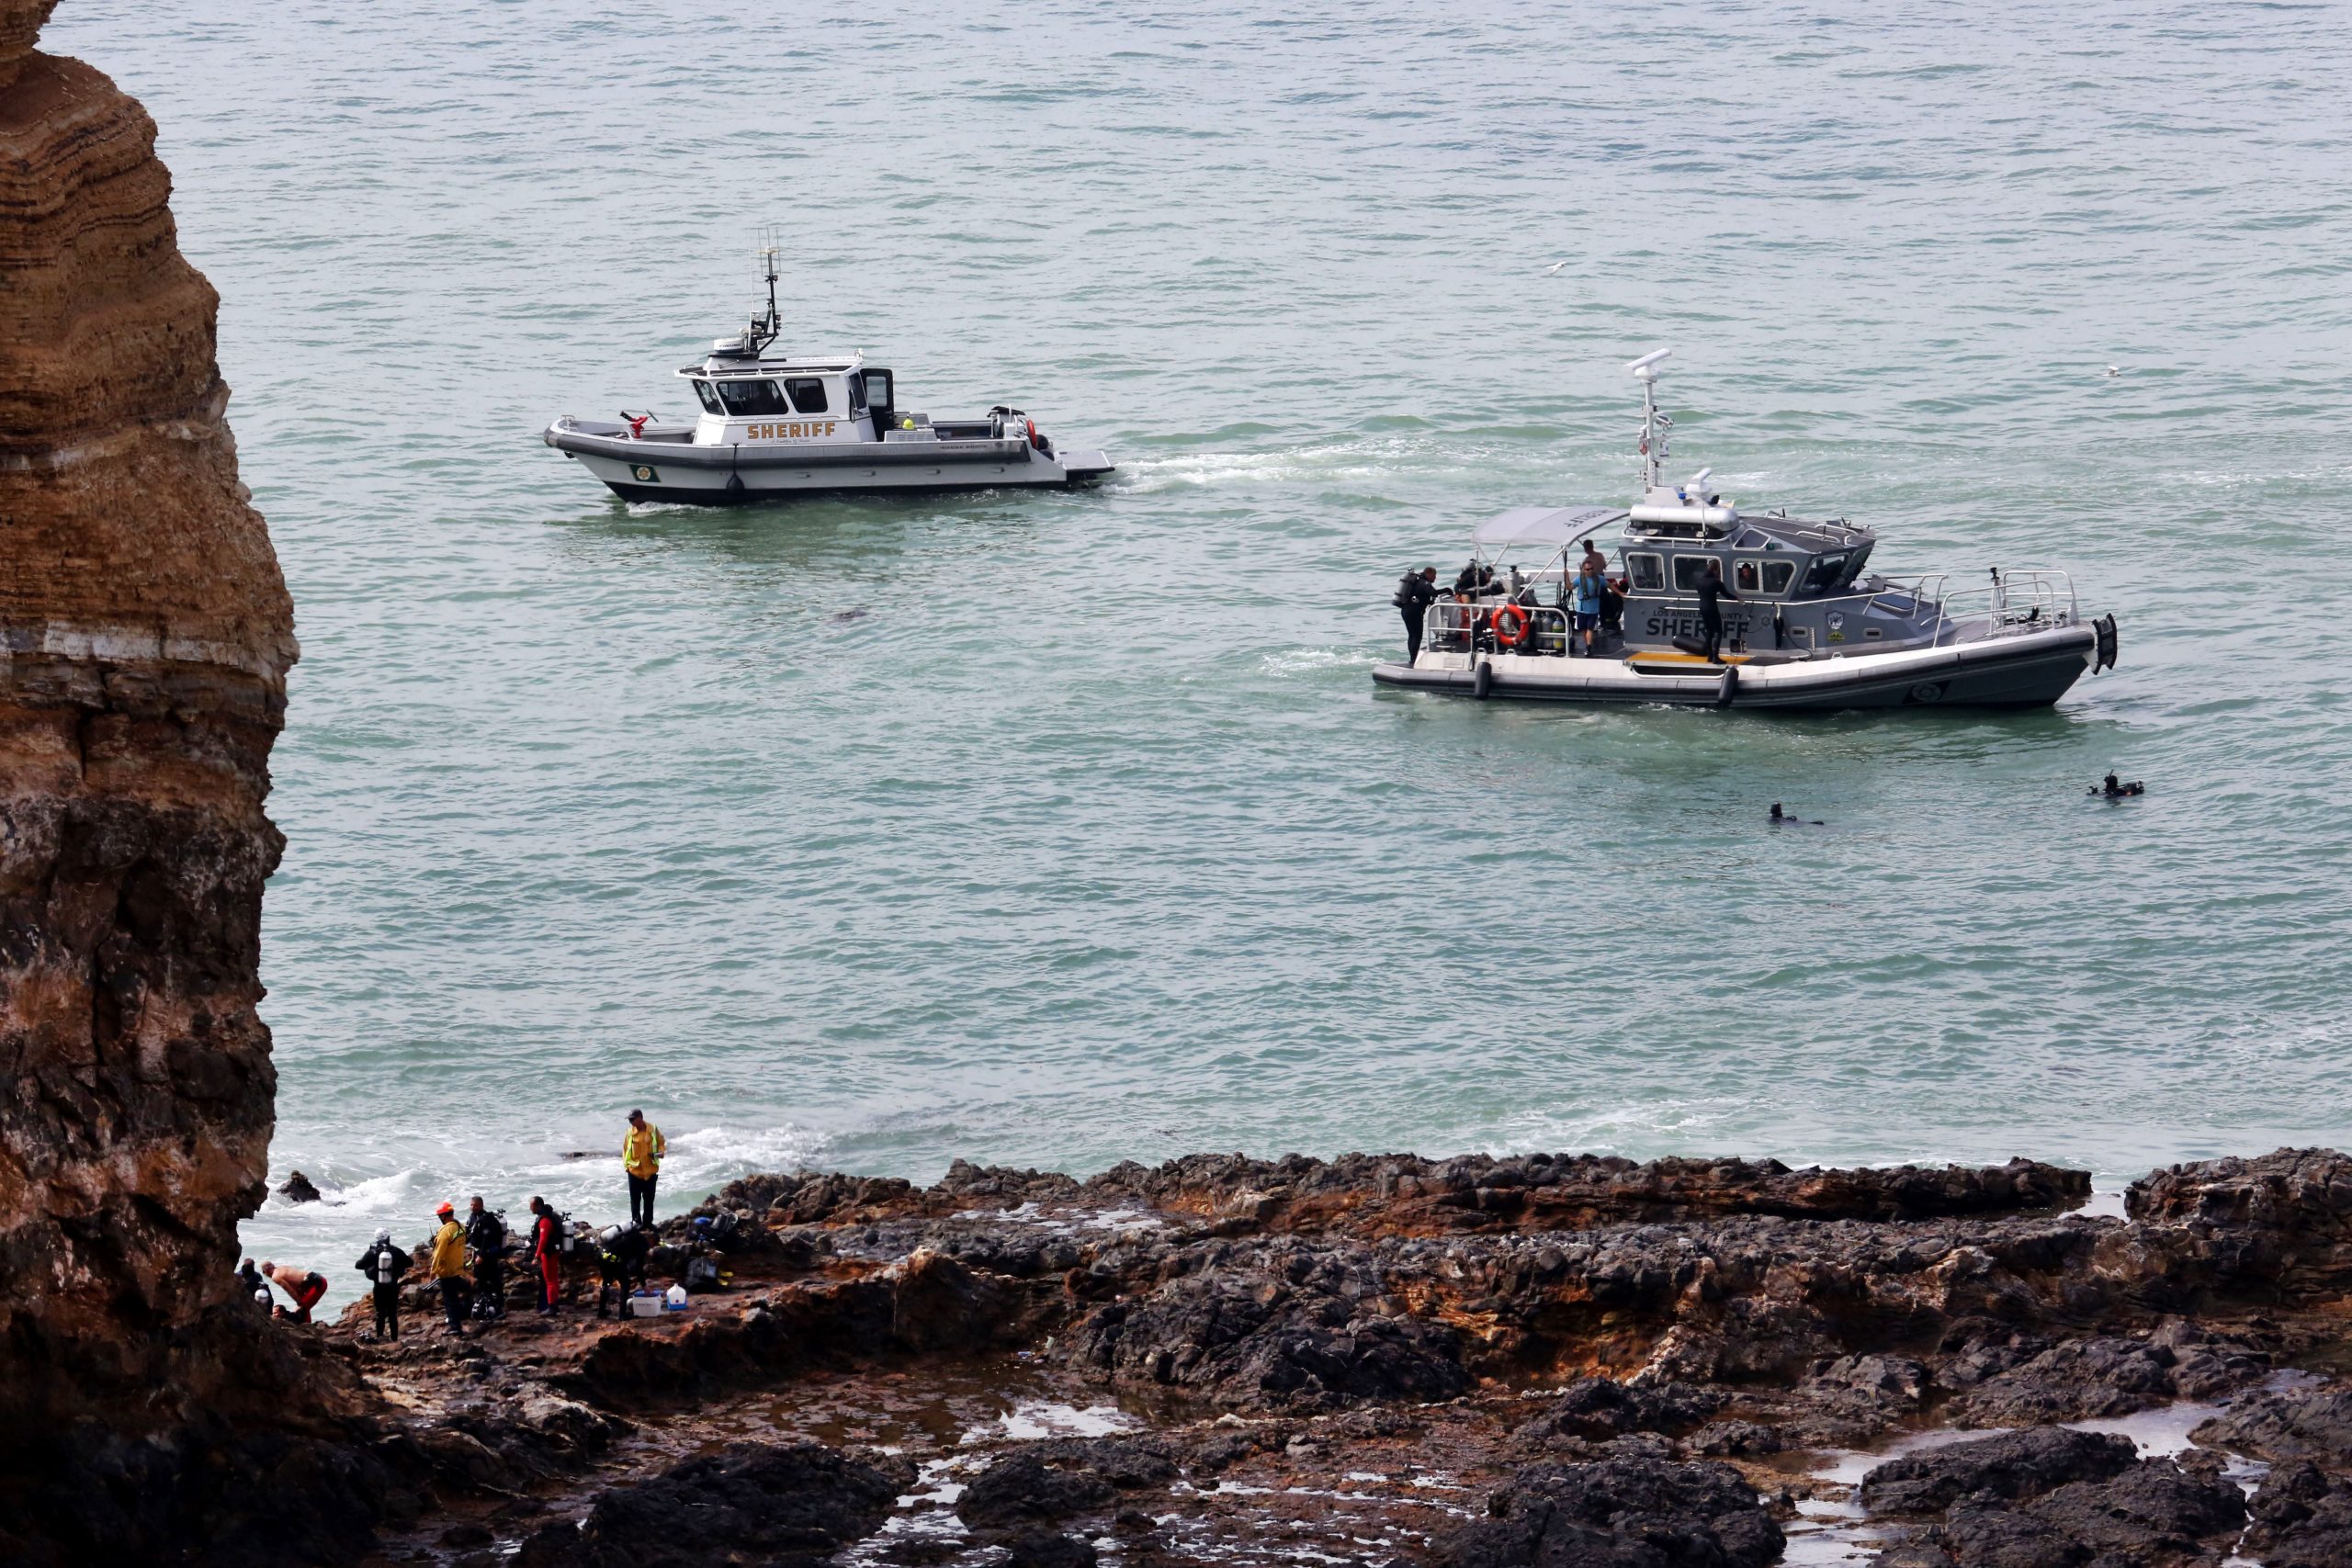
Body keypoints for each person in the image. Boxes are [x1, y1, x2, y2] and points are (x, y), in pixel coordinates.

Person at [356, 1228, 408, 1341]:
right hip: (393, 1287)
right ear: (388, 1238)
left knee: (380, 1314)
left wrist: (371, 1265)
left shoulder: (372, 1252)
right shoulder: (396, 1251)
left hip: (378, 1287)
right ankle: (394, 1339)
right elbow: (410, 1262)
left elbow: (358, 1265)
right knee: (392, 1314)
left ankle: (380, 1337)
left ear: (376, 1238)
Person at [428, 1201, 470, 1337]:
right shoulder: (460, 1227)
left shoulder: (445, 1231)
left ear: (444, 1216)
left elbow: (438, 1254)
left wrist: (433, 1271)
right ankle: (465, 1310)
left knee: (450, 1300)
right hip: (457, 1267)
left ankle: (455, 1327)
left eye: (440, 1216)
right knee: (463, 1287)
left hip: (446, 1271)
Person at [594, 1223, 651, 1319]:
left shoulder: (630, 1233)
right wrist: (644, 1285)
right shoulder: (642, 1245)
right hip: (612, 1259)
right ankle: (622, 1314)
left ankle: (601, 1311)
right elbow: (639, 1268)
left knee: (606, 1282)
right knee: (625, 1284)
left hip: (601, 1255)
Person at [466, 1196, 507, 1321]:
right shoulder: (472, 1217)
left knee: (493, 1278)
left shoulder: (487, 1219)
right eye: (471, 1205)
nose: (473, 1207)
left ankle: (499, 1303)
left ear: (481, 1205)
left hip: (488, 1254)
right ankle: (484, 1303)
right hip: (478, 1251)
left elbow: (486, 1239)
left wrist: (481, 1255)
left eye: (475, 1205)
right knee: (481, 1278)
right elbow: (468, 1233)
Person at [624, 1110, 666, 1228]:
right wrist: (626, 1167)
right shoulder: (629, 1132)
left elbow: (661, 1143)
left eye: (632, 1119)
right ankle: (636, 1222)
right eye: (629, 1119)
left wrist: (660, 1152)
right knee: (635, 1200)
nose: (630, 1122)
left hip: (650, 1172)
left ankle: (648, 1223)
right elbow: (625, 1150)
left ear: (640, 1118)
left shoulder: (653, 1129)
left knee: (649, 1200)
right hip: (634, 1172)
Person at [1693, 559, 1740, 664]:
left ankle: (1710, 656)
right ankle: (1716, 657)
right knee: (1718, 631)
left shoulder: (1699, 581)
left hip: (1702, 607)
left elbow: (1699, 591)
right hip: (1711, 607)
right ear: (1715, 570)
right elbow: (1726, 595)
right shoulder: (1716, 582)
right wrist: (1737, 598)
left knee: (1709, 631)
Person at [259, 1260, 327, 1324]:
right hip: (316, 1279)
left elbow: (289, 1290)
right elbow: (297, 1283)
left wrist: (299, 1302)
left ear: (266, 1270)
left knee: (303, 1308)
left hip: (317, 1284)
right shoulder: (282, 1267)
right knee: (304, 1307)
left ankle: (307, 1327)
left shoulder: (275, 1276)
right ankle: (307, 1325)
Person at [528, 1196, 564, 1315]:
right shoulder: (550, 1215)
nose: (530, 1208)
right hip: (554, 1251)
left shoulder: (544, 1220)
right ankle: (554, 1305)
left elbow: (543, 1240)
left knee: (549, 1280)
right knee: (553, 1279)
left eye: (531, 1206)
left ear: (538, 1205)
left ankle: (551, 1307)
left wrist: (536, 1256)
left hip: (548, 1253)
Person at [1393, 565, 1437, 660]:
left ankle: (1412, 659)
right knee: (1417, 637)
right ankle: (1413, 660)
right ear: (1428, 574)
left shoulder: (1416, 581)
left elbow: (1421, 597)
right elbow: (1433, 593)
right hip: (1414, 613)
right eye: (1434, 575)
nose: (1435, 578)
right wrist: (1447, 590)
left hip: (1405, 611)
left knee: (1412, 635)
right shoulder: (1424, 583)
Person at [1570, 562, 1608, 657]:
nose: (1590, 571)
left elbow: (1610, 585)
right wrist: (1566, 576)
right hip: (1581, 609)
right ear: (1583, 570)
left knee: (1590, 629)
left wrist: (1620, 593)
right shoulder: (1579, 579)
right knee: (1583, 630)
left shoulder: (1600, 579)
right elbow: (1569, 587)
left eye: (1591, 569)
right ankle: (1588, 645)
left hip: (1593, 610)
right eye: (1588, 569)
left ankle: (1588, 648)